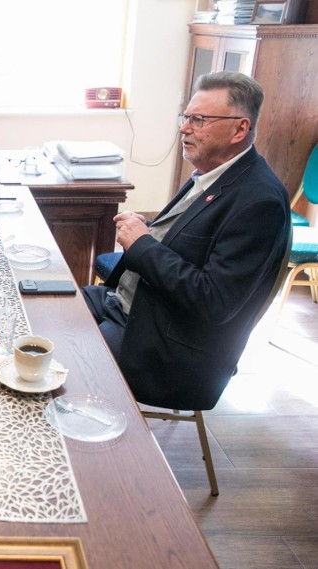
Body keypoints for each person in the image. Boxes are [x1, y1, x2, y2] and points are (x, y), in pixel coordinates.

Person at [83, 71, 290, 411]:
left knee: (70, 357)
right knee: (50, 309)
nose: (184, 128)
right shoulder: (212, 171)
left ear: (240, 128)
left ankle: (92, 455)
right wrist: (149, 229)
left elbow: (214, 300)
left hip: (173, 351)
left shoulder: (259, 202)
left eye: (200, 119)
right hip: (132, 306)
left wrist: (143, 244)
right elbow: (191, 241)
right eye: (187, 117)